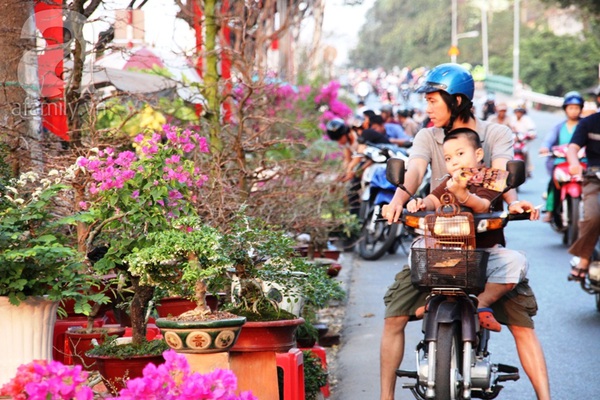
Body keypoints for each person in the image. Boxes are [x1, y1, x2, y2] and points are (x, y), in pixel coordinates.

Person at [378, 63, 550, 400]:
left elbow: (501, 176)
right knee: (392, 319)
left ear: (456, 100)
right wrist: (398, 201)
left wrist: (512, 202)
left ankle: (546, 397)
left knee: (522, 327)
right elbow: (413, 172)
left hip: (484, 243)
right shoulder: (427, 135)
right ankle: (385, 397)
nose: (426, 109)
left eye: (432, 101)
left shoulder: (495, 133)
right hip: (436, 244)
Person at [407, 128, 530, 332]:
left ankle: (481, 304)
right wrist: (420, 204)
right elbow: (433, 199)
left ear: (479, 154)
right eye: (447, 158)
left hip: (483, 254)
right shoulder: (449, 181)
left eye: (460, 154)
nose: (454, 161)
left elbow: (482, 205)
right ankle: (436, 297)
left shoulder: (492, 177)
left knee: (517, 262)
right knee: (416, 250)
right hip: (448, 252)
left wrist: (462, 194)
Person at [566, 87, 600, 280]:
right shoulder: (589, 123)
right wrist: (574, 164)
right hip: (595, 179)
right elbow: (573, 148)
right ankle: (585, 258)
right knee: (594, 215)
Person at [539, 91, 584, 223]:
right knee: (554, 184)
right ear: (565, 109)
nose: (574, 111)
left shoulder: (585, 125)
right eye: (571, 108)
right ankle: (550, 210)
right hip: (562, 162)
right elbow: (548, 141)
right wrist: (545, 147)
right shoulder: (558, 127)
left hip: (582, 162)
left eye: (576, 108)